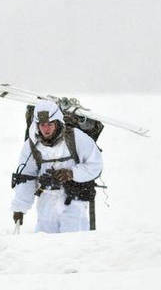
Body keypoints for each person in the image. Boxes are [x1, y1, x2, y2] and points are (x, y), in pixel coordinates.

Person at [11, 100, 102, 233]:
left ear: (58, 122)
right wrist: (19, 208)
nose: (46, 129)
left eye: (50, 124)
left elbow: (95, 165)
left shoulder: (76, 138)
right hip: (46, 202)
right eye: (42, 125)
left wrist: (72, 174)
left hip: (74, 201)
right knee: (44, 245)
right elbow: (26, 177)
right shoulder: (31, 145)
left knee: (74, 244)